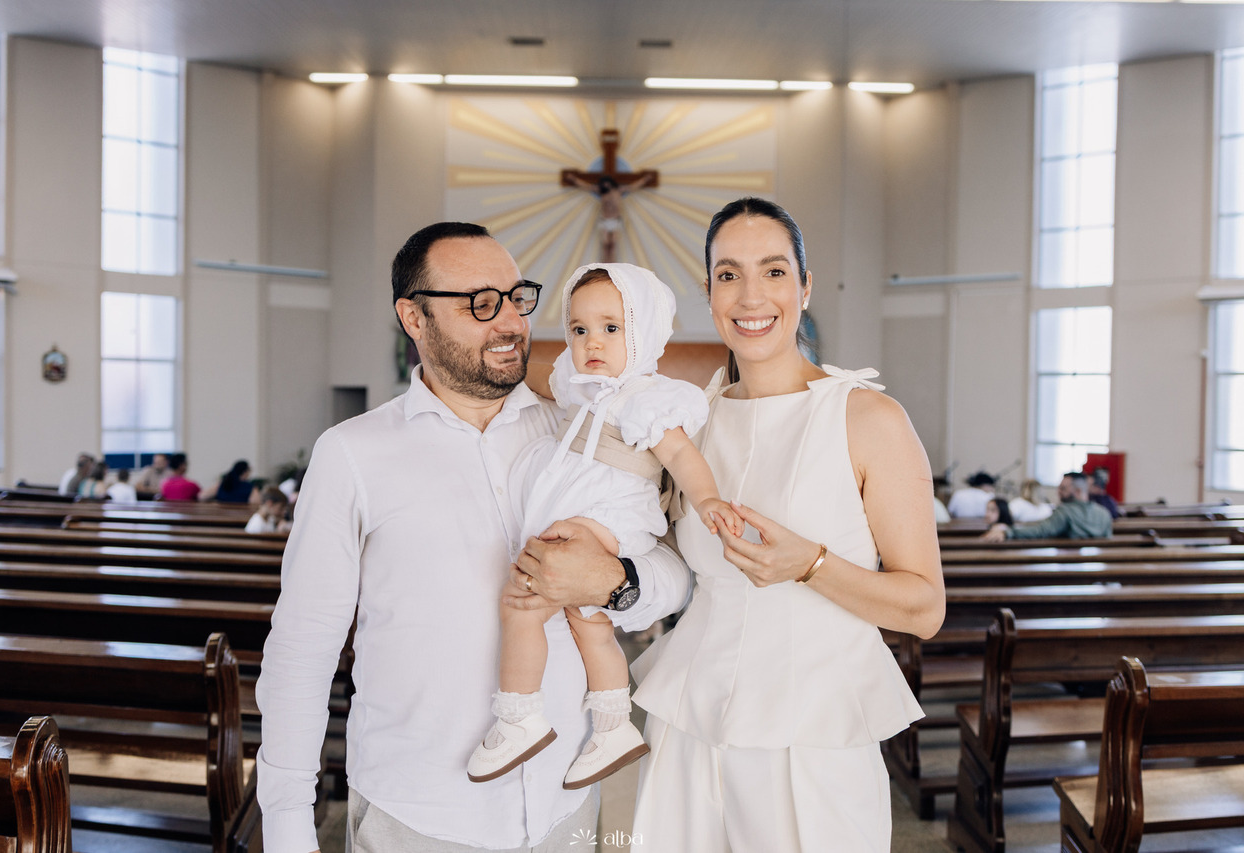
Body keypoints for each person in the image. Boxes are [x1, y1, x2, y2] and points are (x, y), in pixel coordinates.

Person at [255, 222, 691, 853]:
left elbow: (676, 573)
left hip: (562, 806)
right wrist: (288, 828)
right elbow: (303, 646)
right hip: (418, 813)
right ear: (414, 317)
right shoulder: (353, 454)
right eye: (481, 303)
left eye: (517, 298)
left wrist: (618, 583)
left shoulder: (579, 431)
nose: (511, 321)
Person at [629, 197, 946, 851]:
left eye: (774, 271)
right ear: (709, 290)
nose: (751, 295)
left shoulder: (867, 418)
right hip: (690, 719)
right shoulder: (693, 420)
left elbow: (924, 608)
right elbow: (664, 561)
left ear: (803, 286)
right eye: (728, 274)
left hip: (813, 732)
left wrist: (811, 565)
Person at [466, 263, 742, 790]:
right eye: (579, 328)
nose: (593, 342)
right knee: (586, 619)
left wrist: (707, 500)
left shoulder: (647, 396)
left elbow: (681, 455)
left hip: (610, 514)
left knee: (523, 599)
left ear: (644, 332)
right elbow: (547, 381)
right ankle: (613, 727)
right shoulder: (580, 388)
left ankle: (519, 714)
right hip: (586, 512)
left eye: (612, 328)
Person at [980, 472, 1114, 542]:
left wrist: (1008, 532)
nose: (1058, 492)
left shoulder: (1065, 511)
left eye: (1063, 489)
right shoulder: (1103, 513)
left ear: (1078, 491)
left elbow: (1041, 530)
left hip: (1069, 567)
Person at [566, 173, 653, 263]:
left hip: (616, 220)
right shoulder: (601, 191)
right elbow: (587, 187)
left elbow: (633, 187)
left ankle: (612, 263)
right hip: (604, 220)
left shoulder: (619, 190)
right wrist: (574, 179)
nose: (605, 185)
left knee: (613, 243)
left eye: (607, 183)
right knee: (605, 243)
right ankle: (605, 264)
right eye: (603, 183)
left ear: (611, 182)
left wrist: (645, 179)